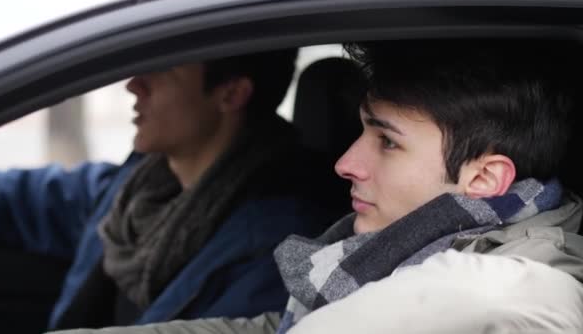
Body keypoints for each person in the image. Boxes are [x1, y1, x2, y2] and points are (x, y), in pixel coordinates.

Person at [49, 39, 583, 334]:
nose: (346, 163)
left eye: (387, 142)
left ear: (485, 178)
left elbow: (519, 297)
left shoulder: (514, 291)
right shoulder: (407, 247)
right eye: (360, 132)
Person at [0, 49, 342, 330]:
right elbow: (32, 199)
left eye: (164, 67)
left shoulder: (279, 244)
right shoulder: (143, 184)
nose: (134, 83)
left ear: (231, 94)